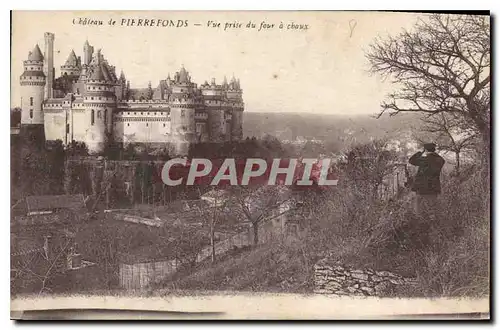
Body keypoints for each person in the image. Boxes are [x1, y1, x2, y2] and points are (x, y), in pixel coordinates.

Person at [408, 143, 445, 247]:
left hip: (421, 190)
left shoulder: (424, 160)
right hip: (433, 190)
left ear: (425, 149)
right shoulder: (440, 160)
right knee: (432, 211)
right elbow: (441, 159)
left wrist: (421, 152)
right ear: (434, 150)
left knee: (418, 212)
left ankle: (419, 235)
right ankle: (434, 235)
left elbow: (411, 160)